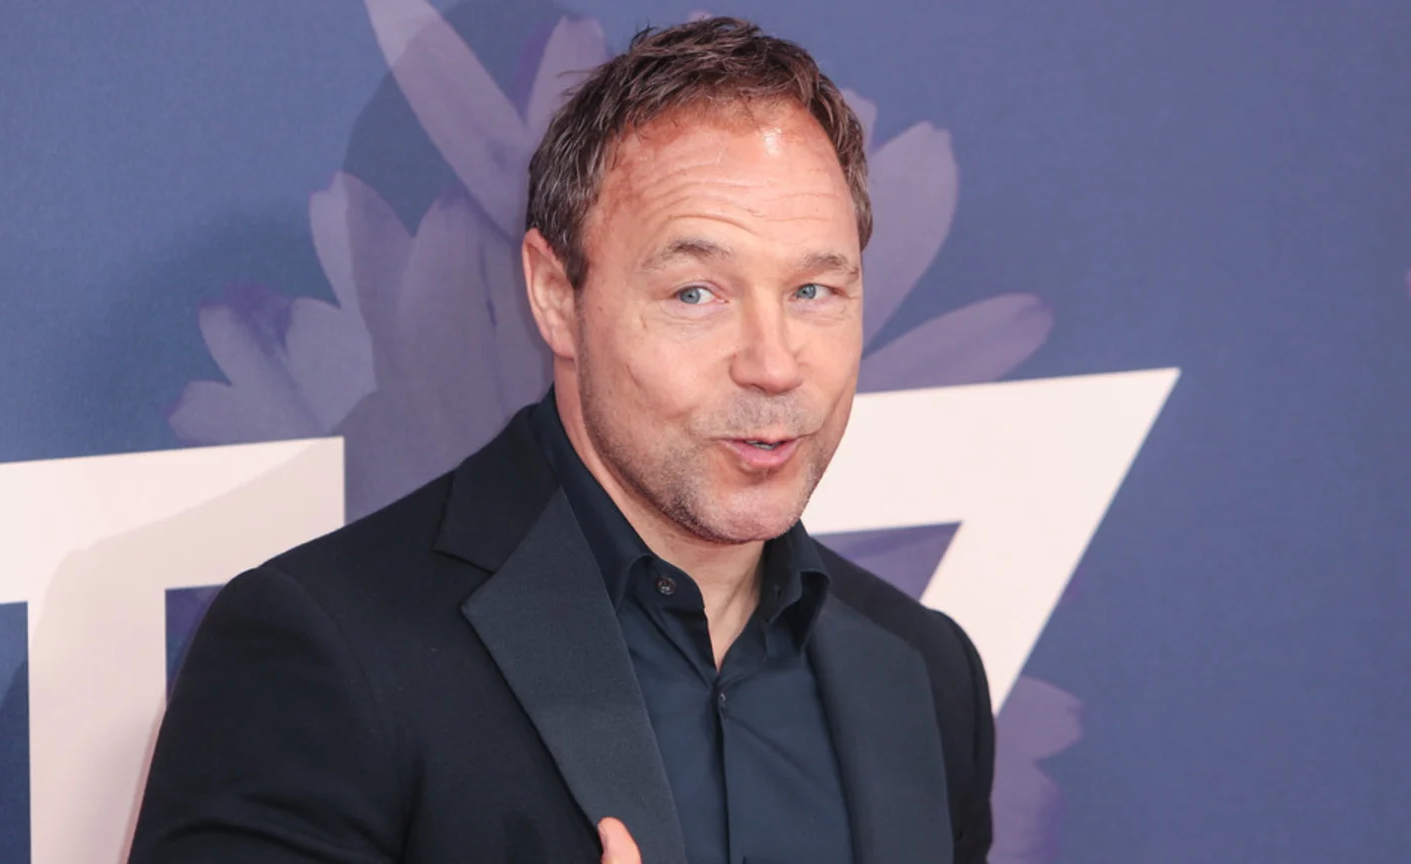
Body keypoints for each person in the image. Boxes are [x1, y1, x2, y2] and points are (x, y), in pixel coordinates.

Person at [129, 16, 993, 864]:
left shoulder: (926, 674)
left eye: (814, 292)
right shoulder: (322, 652)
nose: (773, 365)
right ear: (554, 295)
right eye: (696, 294)